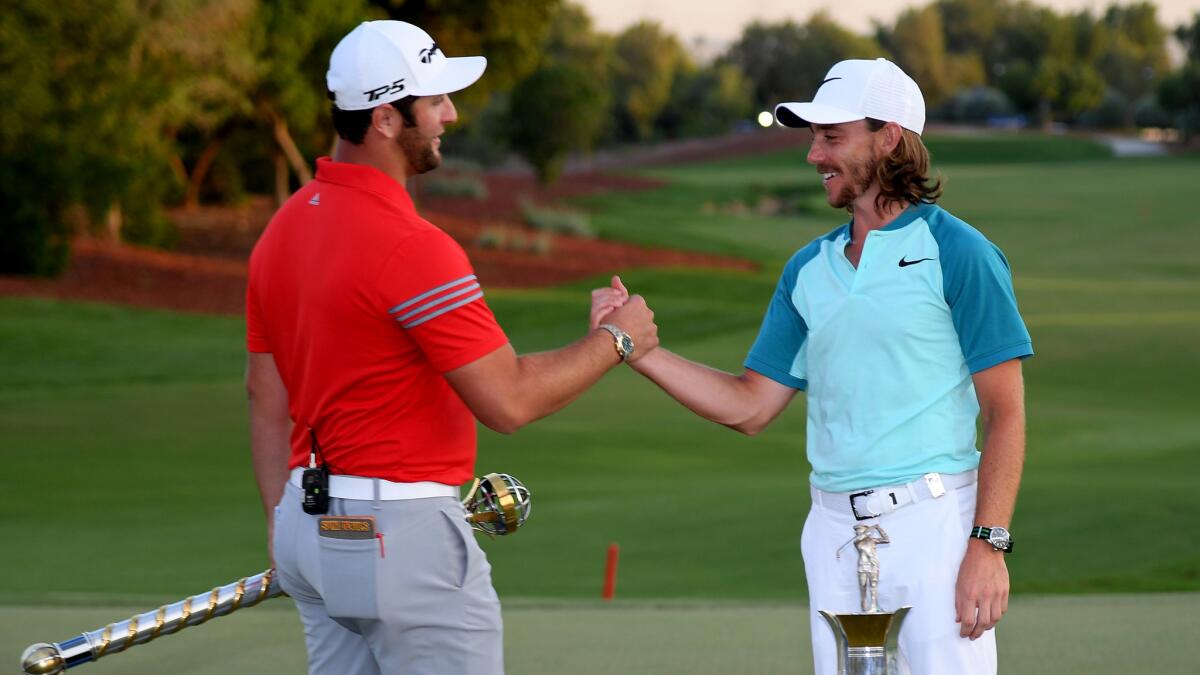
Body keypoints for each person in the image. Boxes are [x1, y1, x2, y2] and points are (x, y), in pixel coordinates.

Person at [592, 58, 1031, 674]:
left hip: (935, 528)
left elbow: (1005, 413)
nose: (813, 155)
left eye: (832, 136)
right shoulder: (807, 269)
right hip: (831, 533)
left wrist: (989, 545)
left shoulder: (959, 253)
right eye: (812, 138)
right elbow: (750, 405)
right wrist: (641, 353)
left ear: (889, 139)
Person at [246, 20, 657, 675]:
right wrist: (618, 338)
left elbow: (265, 398)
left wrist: (281, 521)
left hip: (308, 522)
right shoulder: (414, 247)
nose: (450, 114)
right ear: (385, 118)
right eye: (434, 101)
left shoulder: (283, 229)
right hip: (401, 537)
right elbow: (508, 399)